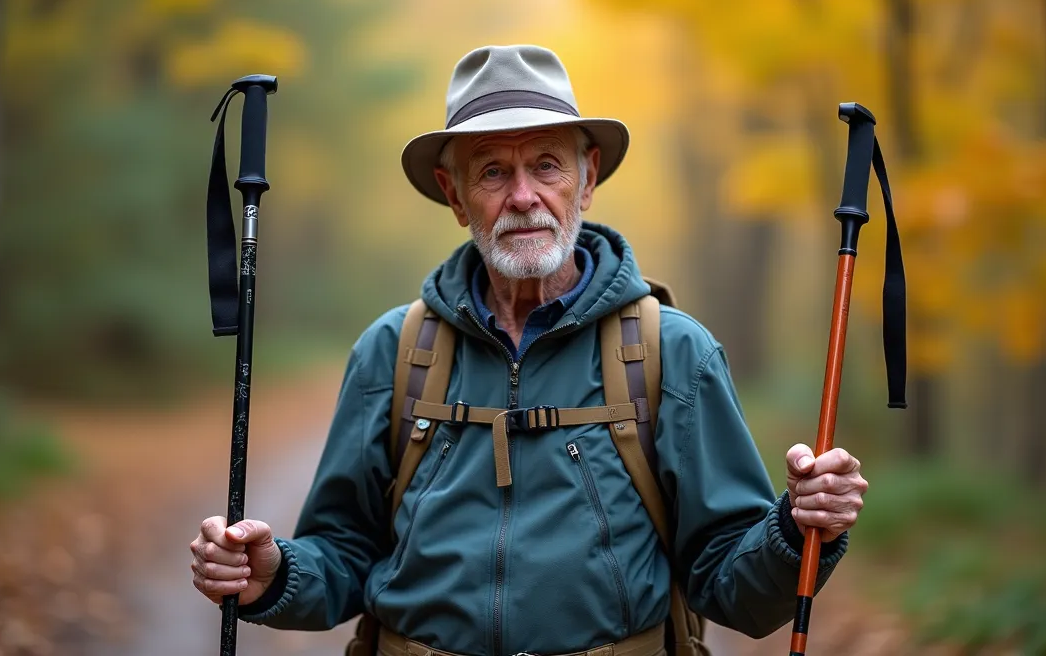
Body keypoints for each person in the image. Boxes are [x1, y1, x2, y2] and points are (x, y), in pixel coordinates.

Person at [189, 44, 868, 656]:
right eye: (492, 172)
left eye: (546, 165)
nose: (523, 197)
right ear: (455, 196)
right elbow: (342, 558)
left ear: (587, 176)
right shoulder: (394, 353)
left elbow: (736, 589)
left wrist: (797, 528)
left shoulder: (672, 353)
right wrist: (275, 571)